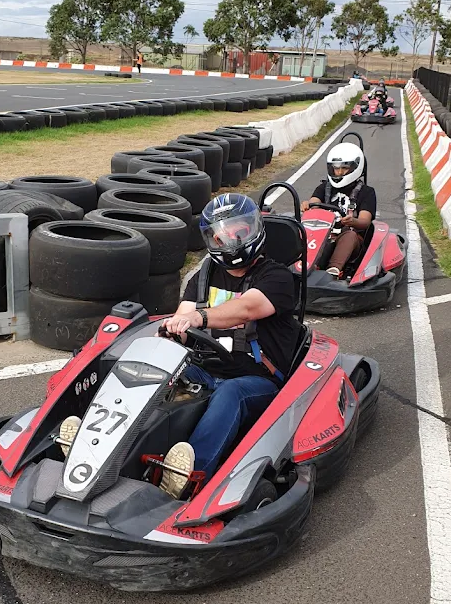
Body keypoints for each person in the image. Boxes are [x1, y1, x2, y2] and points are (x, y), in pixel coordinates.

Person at [157, 193, 302, 497]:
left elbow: (247, 308)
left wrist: (199, 317)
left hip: (257, 378)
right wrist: (171, 334)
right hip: (205, 369)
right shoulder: (204, 275)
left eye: (239, 231)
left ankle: (188, 478)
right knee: (158, 376)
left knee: (230, 392)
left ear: (254, 229)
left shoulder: (276, 276)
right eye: (221, 234)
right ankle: (113, 451)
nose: (231, 240)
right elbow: (183, 320)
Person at [301, 142, 376, 279]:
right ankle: (301, 264)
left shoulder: (366, 192)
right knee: (299, 228)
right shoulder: (324, 187)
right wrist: (308, 205)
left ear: (355, 168)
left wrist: (352, 221)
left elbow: (365, 221)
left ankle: (333, 271)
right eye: (336, 168)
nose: (339, 172)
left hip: (349, 236)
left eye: (344, 168)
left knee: (349, 236)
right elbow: (314, 202)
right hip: (322, 233)